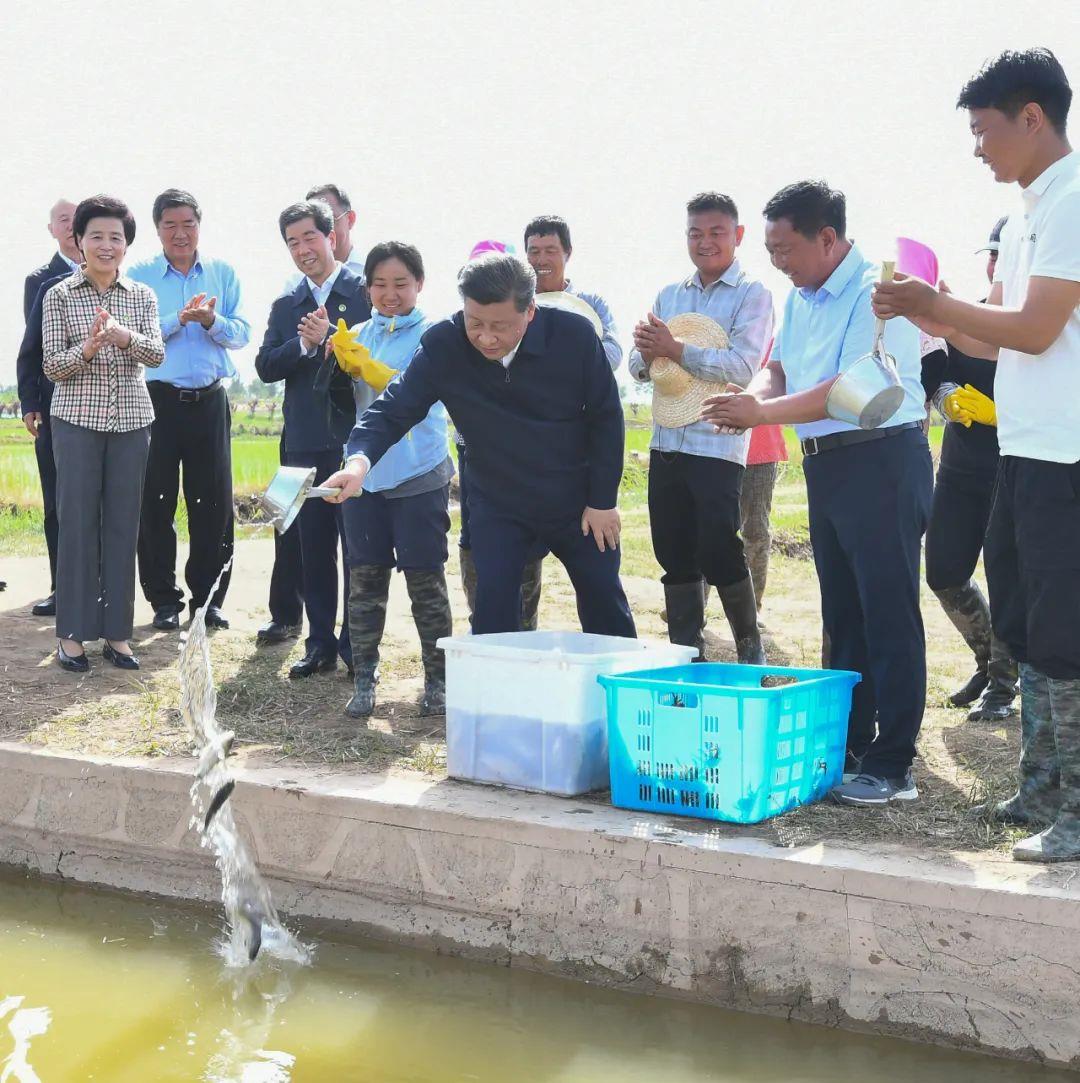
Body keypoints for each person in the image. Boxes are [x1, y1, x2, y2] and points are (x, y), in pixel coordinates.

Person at [873, 49, 1080, 861]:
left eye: (985, 129)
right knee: (1026, 624)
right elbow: (997, 341)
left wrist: (938, 301)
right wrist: (930, 319)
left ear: (1033, 118)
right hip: (1023, 450)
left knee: (1065, 632)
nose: (977, 146)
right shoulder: (1032, 208)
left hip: (1068, 455)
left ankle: (1076, 810)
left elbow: (1034, 329)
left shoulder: (1072, 200)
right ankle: (1039, 786)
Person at [702, 180, 932, 806]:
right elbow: (782, 366)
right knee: (844, 613)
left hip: (882, 458)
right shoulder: (801, 295)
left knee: (887, 611)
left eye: (786, 248)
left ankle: (894, 761)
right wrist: (755, 392)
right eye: (772, 250)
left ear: (827, 238)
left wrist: (761, 415)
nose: (779, 261)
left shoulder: (875, 293)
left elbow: (844, 386)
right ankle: (851, 743)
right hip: (827, 464)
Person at [322, 253, 635, 640]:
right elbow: (395, 408)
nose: (486, 337)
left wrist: (603, 500)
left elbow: (605, 417)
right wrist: (358, 461)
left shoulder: (574, 337)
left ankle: (619, 692)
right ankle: (498, 697)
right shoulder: (443, 345)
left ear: (530, 312)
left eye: (500, 326)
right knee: (493, 613)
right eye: (476, 323)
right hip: (499, 503)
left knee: (605, 602)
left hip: (577, 498)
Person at [628, 192, 773, 663]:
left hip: (717, 441)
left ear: (739, 235)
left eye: (716, 233)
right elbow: (637, 366)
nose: (705, 242)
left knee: (717, 544)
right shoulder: (671, 294)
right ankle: (686, 649)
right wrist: (650, 354)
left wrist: (676, 350)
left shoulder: (754, 294)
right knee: (671, 549)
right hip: (666, 439)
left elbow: (742, 367)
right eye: (696, 233)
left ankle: (749, 647)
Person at [328, 241, 453, 719]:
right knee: (364, 580)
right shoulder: (356, 333)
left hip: (419, 470)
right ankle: (364, 678)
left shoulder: (437, 334)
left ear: (419, 284)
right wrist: (335, 364)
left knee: (425, 579)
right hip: (363, 477)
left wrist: (373, 370)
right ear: (367, 289)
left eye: (401, 283)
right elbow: (348, 406)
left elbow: (418, 394)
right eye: (379, 284)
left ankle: (437, 680)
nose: (390, 293)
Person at [41, 195, 166, 672]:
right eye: (97, 235)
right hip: (75, 423)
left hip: (133, 422)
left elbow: (156, 355)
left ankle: (118, 635)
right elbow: (52, 366)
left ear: (127, 244)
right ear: (79, 241)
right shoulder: (58, 295)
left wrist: (124, 337)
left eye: (116, 237)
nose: (107, 245)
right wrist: (89, 349)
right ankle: (72, 636)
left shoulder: (142, 296)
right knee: (77, 525)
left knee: (122, 525)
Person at [255, 200, 370, 679]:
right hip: (302, 442)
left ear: (332, 236)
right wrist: (302, 344)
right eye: (292, 242)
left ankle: (357, 646)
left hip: (354, 443)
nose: (303, 249)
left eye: (310, 238)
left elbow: (376, 358)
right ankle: (319, 640)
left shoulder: (364, 292)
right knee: (313, 548)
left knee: (357, 550)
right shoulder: (287, 306)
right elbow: (265, 367)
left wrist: (331, 342)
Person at [128, 190, 251, 631]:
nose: (180, 234)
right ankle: (164, 601)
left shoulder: (221, 272)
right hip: (158, 400)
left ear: (200, 224)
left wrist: (211, 322)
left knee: (214, 504)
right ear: (157, 228)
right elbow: (134, 337)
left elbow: (241, 333)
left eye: (188, 224)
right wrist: (178, 320)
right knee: (155, 501)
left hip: (210, 400)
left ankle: (209, 599)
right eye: (170, 225)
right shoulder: (140, 276)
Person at [912, 225, 1017, 724]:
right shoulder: (963, 315)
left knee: (1007, 575)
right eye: (991, 255)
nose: (996, 264)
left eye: (1005, 255)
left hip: (1012, 469)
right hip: (958, 466)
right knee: (944, 571)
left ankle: (1003, 683)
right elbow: (932, 363)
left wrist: (1004, 411)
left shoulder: (1034, 325)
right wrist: (945, 391)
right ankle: (986, 659)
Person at [514, 215, 623, 632]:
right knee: (517, 580)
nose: (541, 261)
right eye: (534, 252)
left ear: (568, 254)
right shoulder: (512, 301)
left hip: (579, 454)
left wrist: (570, 349)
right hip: (525, 455)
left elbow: (612, 355)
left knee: (597, 583)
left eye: (550, 251)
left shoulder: (590, 305)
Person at [17, 199, 82, 617]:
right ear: (52, 230)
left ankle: (97, 587)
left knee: (98, 501)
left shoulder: (111, 275)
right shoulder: (41, 281)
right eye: (64, 220)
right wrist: (31, 404)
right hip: (56, 404)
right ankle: (62, 587)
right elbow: (34, 347)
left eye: (79, 219)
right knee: (57, 499)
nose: (72, 226)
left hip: (103, 409)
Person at [742, 402, 788, 613]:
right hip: (715, 445)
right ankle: (694, 604)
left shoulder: (773, 366)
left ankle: (752, 608)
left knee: (756, 529)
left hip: (761, 448)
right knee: (708, 524)